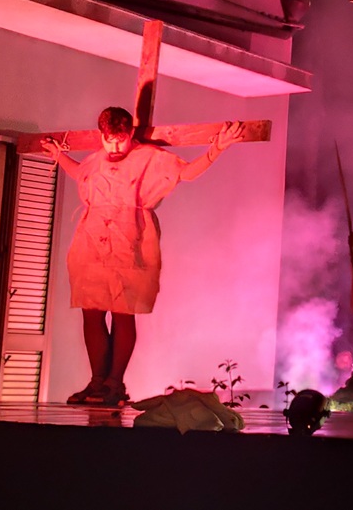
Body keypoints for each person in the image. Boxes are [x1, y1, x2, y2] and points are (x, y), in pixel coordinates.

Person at [41, 107, 244, 407]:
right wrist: (59, 156)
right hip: (92, 241)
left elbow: (186, 172)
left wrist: (217, 149)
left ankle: (114, 382)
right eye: (109, 140)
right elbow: (81, 173)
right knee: (91, 311)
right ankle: (97, 381)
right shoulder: (96, 159)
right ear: (102, 135)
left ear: (130, 134)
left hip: (129, 240)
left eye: (120, 140)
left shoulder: (150, 158)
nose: (114, 147)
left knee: (123, 310)